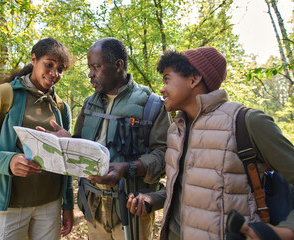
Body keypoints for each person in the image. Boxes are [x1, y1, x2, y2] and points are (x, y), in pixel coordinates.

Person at [126, 47, 294, 240]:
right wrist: (152, 199)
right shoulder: (175, 131)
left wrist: (285, 231)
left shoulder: (246, 123)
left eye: (167, 79)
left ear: (193, 79)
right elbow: (188, 189)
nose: (162, 89)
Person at [46, 37, 170, 240]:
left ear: (118, 65)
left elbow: (164, 154)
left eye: (96, 67)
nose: (90, 74)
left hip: (131, 210)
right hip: (93, 208)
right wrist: (67, 141)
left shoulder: (152, 105)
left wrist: (128, 168)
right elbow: (81, 146)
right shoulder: (89, 104)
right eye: (89, 67)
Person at [0, 37, 74, 240]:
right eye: (49, 64)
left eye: (60, 69)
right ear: (34, 59)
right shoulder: (2, 95)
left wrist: (67, 205)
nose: (54, 73)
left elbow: (65, 163)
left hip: (49, 205)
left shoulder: (61, 107)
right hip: (7, 205)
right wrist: (9, 161)